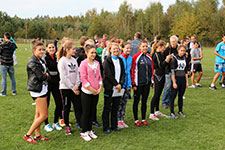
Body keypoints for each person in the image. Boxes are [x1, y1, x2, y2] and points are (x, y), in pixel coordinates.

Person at [23, 40, 50, 143]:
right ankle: (28, 134)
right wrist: (46, 75)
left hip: (42, 88)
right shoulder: (32, 62)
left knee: (38, 114)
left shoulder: (40, 60)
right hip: (37, 90)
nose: (42, 51)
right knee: (44, 115)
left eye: (43, 49)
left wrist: (45, 75)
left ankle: (37, 135)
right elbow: (41, 76)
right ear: (34, 50)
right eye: (39, 50)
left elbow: (44, 73)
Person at [79, 44, 102, 141]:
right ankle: (83, 131)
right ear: (86, 53)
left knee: (92, 111)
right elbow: (83, 79)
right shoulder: (83, 64)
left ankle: (89, 130)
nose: (93, 54)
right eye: (91, 52)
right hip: (87, 92)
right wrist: (92, 89)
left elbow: (100, 77)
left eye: (94, 52)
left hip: (96, 92)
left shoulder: (97, 63)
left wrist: (100, 87)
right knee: (86, 112)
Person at [57, 39, 81, 135]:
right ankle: (67, 125)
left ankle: (80, 123)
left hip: (74, 88)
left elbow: (77, 74)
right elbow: (63, 77)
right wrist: (72, 87)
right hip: (65, 88)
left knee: (77, 106)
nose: (75, 51)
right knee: (66, 107)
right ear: (67, 49)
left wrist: (76, 85)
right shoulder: (62, 61)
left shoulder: (74, 60)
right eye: (73, 49)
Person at [102, 42, 125, 134]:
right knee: (107, 107)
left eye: (117, 48)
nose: (116, 50)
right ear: (110, 50)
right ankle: (106, 126)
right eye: (114, 48)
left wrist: (121, 84)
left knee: (116, 107)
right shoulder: (107, 60)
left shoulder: (120, 60)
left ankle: (114, 125)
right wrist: (116, 84)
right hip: (110, 87)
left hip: (118, 88)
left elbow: (123, 73)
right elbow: (108, 74)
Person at [131, 40, 154, 126]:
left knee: (144, 101)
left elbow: (151, 70)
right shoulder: (136, 57)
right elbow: (132, 70)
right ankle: (136, 120)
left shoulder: (149, 57)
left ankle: (143, 119)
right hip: (138, 84)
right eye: (143, 46)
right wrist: (134, 83)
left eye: (146, 46)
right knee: (136, 101)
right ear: (140, 47)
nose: (145, 48)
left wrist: (152, 81)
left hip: (146, 83)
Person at [42, 41, 63, 132]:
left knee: (59, 103)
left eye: (53, 47)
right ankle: (46, 124)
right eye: (49, 47)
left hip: (56, 83)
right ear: (46, 49)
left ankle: (55, 122)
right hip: (48, 83)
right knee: (46, 104)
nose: (51, 49)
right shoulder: (45, 58)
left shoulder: (57, 57)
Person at [149, 40, 172, 120]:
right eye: (164, 47)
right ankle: (151, 113)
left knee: (158, 94)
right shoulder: (156, 54)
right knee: (156, 95)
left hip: (162, 76)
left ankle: (157, 110)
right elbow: (161, 66)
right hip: (158, 76)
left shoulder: (160, 54)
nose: (164, 49)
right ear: (160, 47)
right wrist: (167, 60)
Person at [169, 45, 189, 119]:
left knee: (180, 96)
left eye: (184, 51)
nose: (183, 52)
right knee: (173, 96)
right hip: (176, 79)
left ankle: (180, 111)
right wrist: (174, 82)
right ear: (178, 50)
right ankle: (172, 112)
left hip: (183, 79)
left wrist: (187, 82)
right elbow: (172, 72)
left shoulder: (185, 58)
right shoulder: (174, 59)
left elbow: (186, 71)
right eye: (181, 50)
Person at [117, 42, 132, 128]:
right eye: (127, 48)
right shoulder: (120, 58)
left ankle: (122, 119)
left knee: (124, 103)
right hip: (121, 84)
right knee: (119, 102)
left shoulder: (130, 58)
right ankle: (117, 120)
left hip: (128, 84)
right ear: (122, 49)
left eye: (130, 48)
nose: (128, 50)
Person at [161, 35, 179, 109]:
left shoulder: (178, 49)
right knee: (168, 86)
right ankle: (164, 102)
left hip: (176, 70)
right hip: (168, 70)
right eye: (171, 41)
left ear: (177, 42)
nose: (173, 43)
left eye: (174, 41)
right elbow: (163, 60)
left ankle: (170, 101)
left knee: (173, 87)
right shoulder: (167, 50)